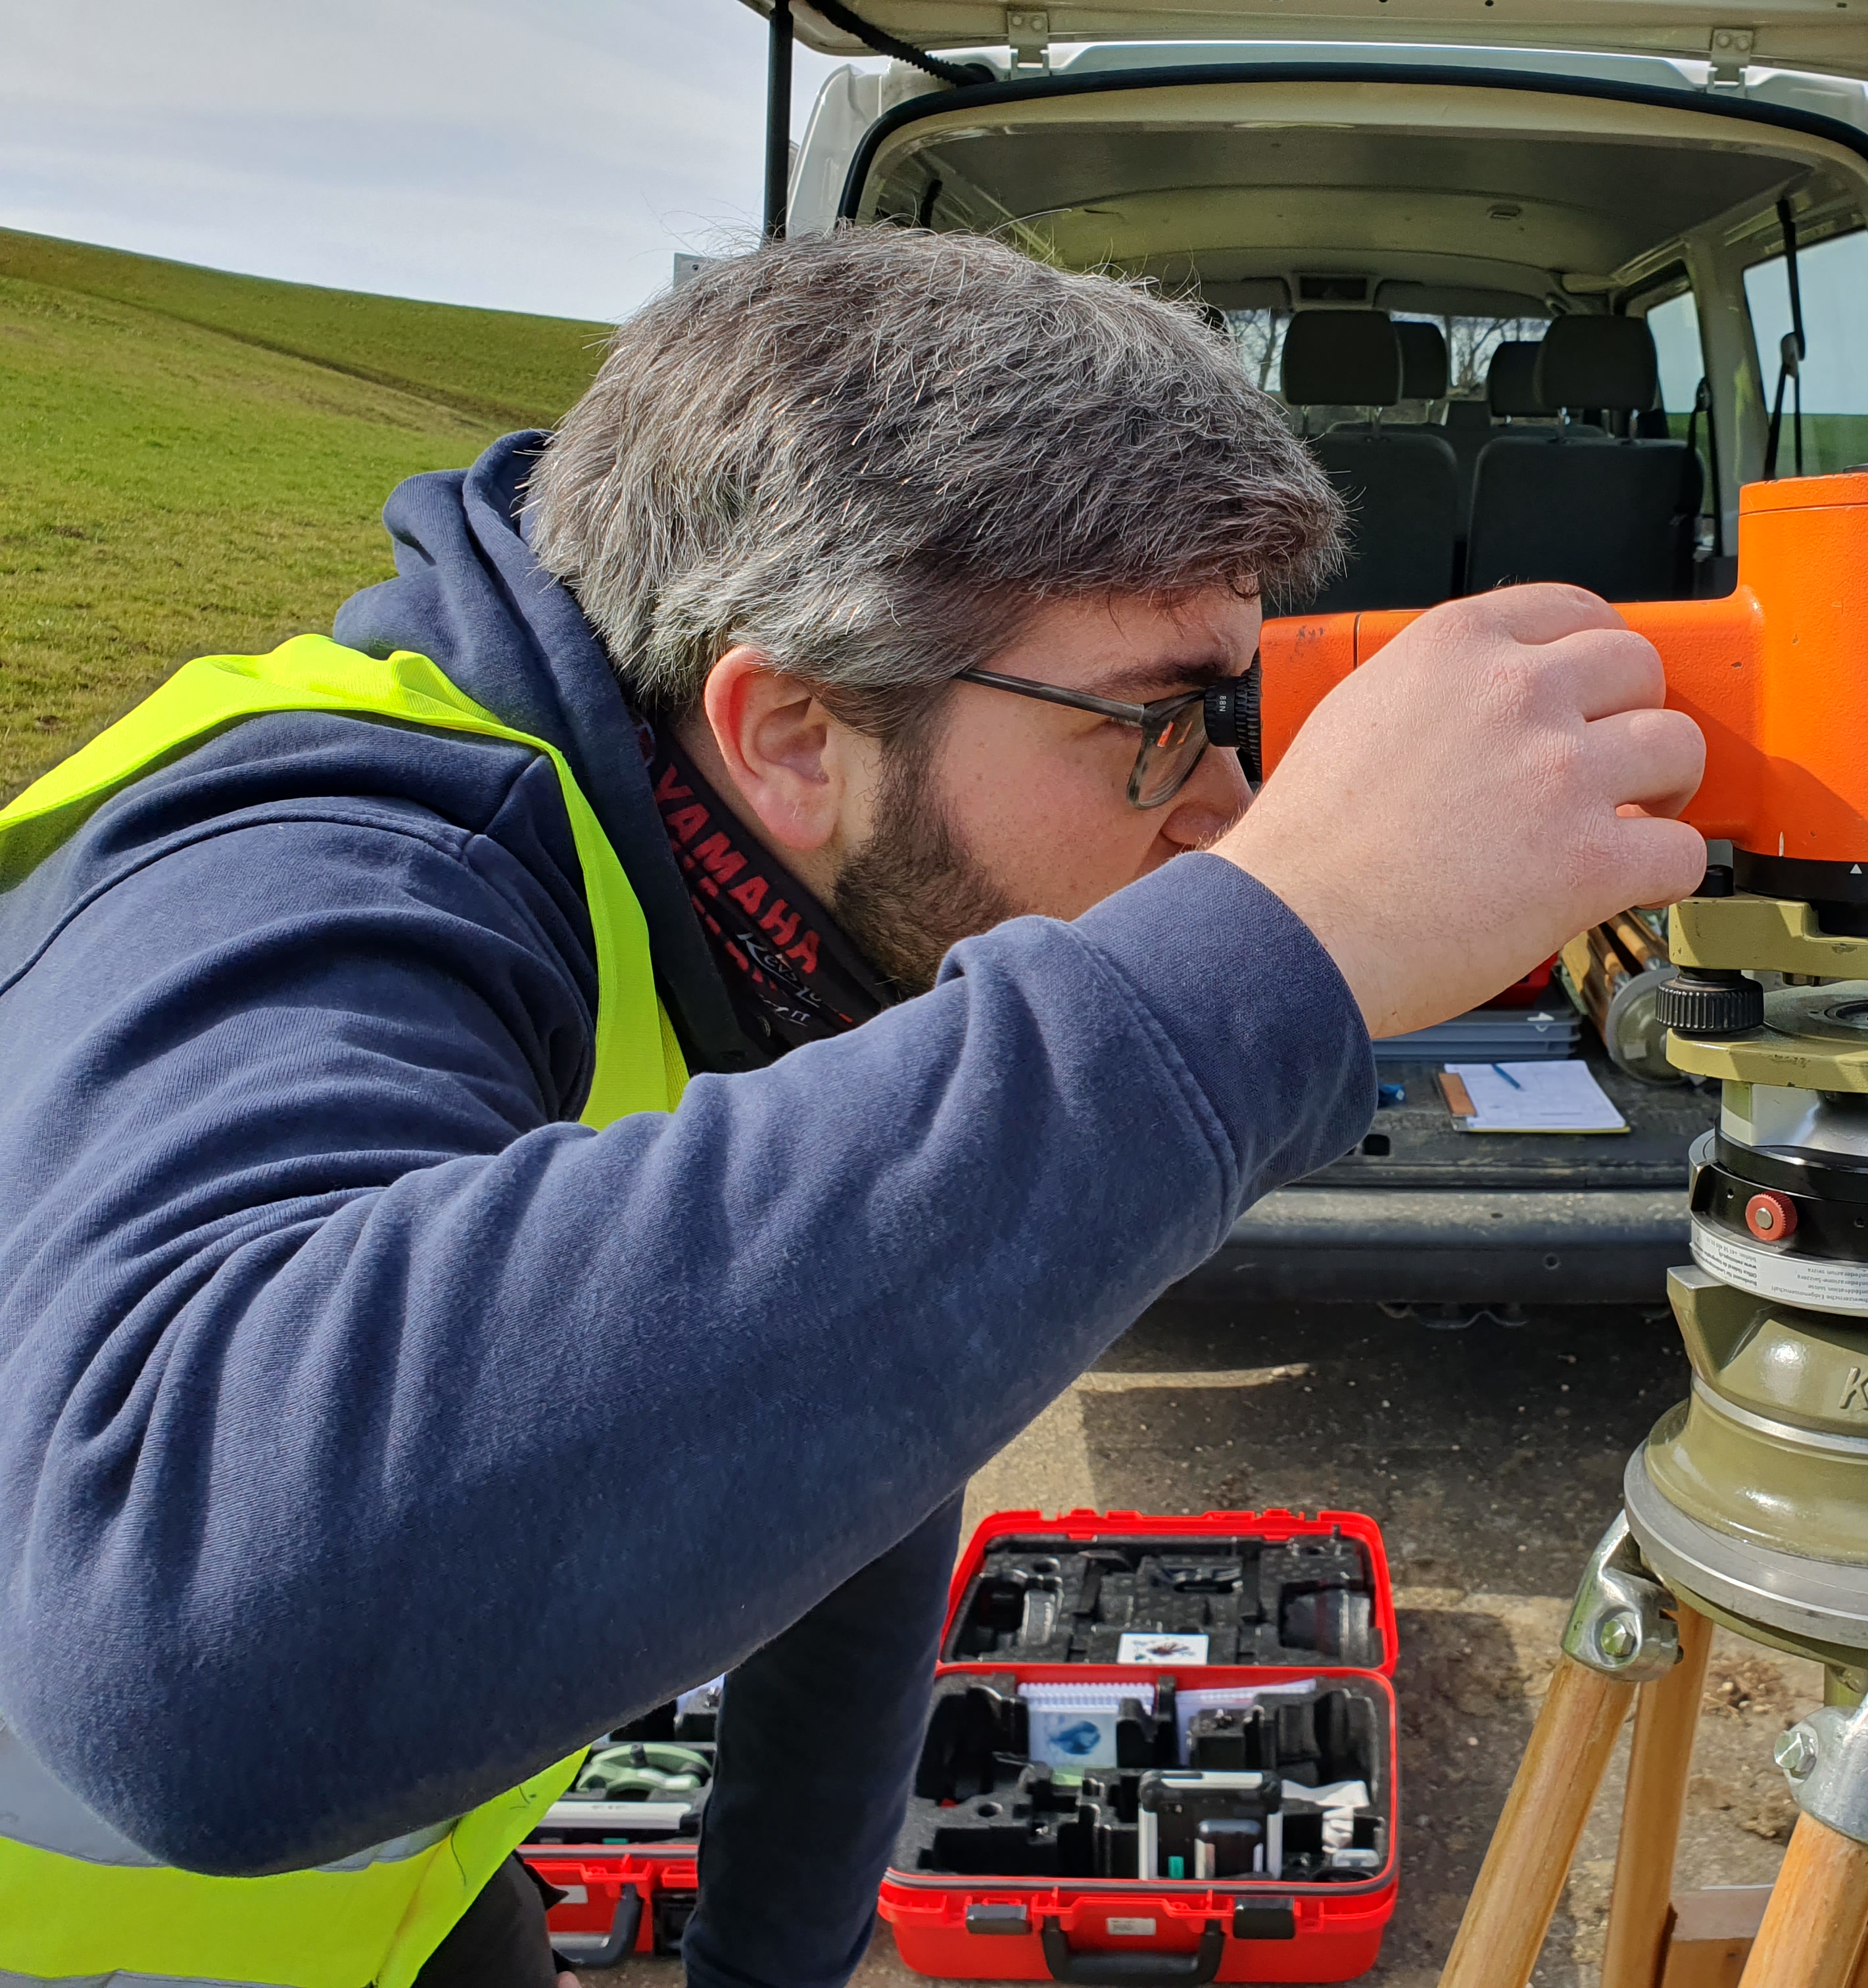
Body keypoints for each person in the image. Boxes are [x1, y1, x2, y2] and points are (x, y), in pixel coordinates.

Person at [0, 225, 1704, 1987]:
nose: (1221, 811)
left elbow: (861, 1440)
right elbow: (186, 1660)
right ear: (796, 732)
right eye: (1155, 728)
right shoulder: (320, 877)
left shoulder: (746, 889)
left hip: (394, 1913)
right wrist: (1284, 946)